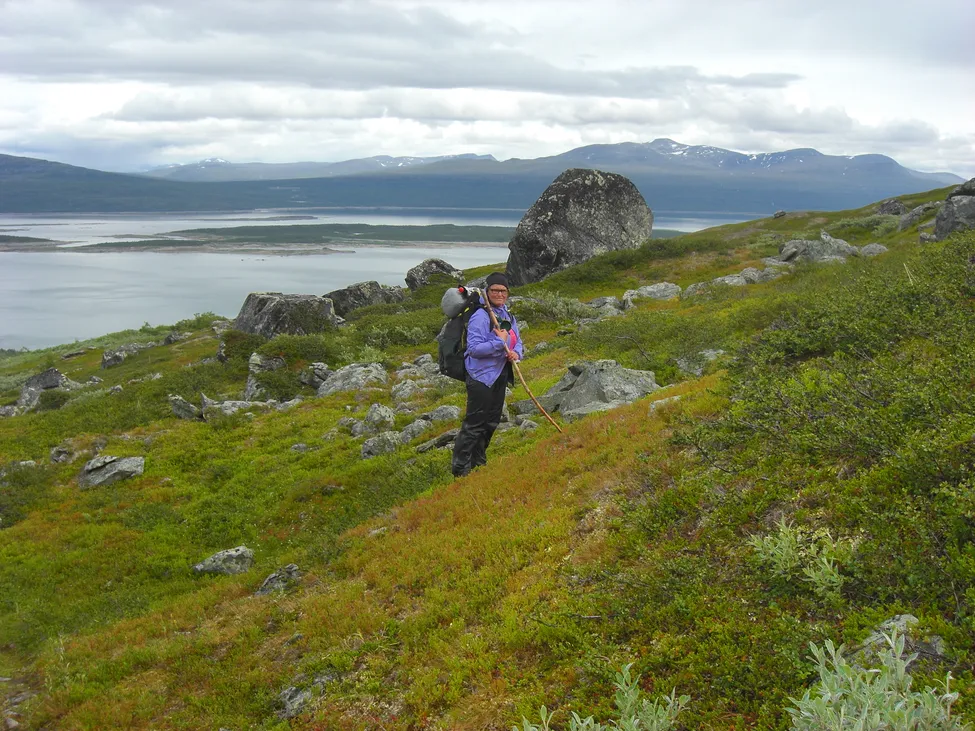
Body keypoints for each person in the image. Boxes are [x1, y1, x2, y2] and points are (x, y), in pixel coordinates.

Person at [451, 272, 524, 477]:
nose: (499, 294)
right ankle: (460, 470)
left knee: (491, 421)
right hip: (480, 377)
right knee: (474, 424)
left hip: (500, 374)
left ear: (508, 293)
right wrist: (499, 342)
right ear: (488, 291)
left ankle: (478, 463)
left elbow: (517, 340)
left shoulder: (507, 315)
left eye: (503, 290)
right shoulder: (480, 316)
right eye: (495, 290)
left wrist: (516, 352)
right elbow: (473, 349)